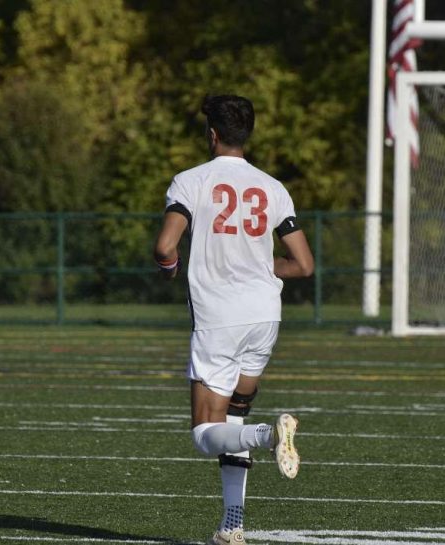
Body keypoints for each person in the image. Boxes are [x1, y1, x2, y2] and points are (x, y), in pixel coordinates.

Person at [153, 95, 315, 545]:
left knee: (206, 433)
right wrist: (262, 268)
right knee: (234, 422)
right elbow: (303, 264)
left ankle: (269, 435)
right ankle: (232, 525)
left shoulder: (190, 181)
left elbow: (166, 247)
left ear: (212, 134)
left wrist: (169, 269)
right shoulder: (273, 187)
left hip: (219, 319)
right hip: (265, 315)